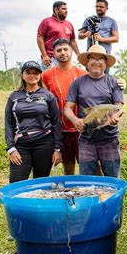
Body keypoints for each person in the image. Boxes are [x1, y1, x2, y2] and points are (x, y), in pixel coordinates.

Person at [63, 45, 124, 177]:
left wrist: (115, 117)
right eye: (93, 58)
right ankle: (91, 198)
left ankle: (112, 198)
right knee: (87, 181)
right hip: (86, 139)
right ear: (87, 62)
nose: (96, 62)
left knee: (113, 179)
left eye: (100, 59)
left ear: (106, 63)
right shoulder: (77, 83)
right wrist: (75, 120)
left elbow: (119, 106)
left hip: (110, 139)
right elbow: (67, 108)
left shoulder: (114, 82)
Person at [5, 61, 62, 183]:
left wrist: (57, 149)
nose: (32, 75)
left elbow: (56, 123)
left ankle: (39, 202)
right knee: (16, 183)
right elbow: (9, 123)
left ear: (40, 75)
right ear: (22, 75)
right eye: (28, 72)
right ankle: (18, 203)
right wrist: (11, 148)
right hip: (21, 144)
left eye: (35, 73)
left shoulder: (48, 96)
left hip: (44, 143)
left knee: (40, 183)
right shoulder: (14, 96)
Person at [42, 39, 88, 175]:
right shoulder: (46, 75)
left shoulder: (83, 74)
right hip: (60, 129)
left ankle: (97, 194)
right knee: (68, 165)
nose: (63, 53)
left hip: (82, 128)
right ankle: (71, 193)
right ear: (54, 54)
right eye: (59, 50)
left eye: (65, 49)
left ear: (71, 51)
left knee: (90, 165)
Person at [37, 1, 80, 70]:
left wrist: (78, 54)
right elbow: (40, 38)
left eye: (66, 9)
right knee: (51, 80)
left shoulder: (69, 24)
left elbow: (72, 41)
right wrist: (44, 55)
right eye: (63, 9)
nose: (66, 11)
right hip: (51, 59)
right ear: (56, 9)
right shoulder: (46, 21)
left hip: (65, 58)